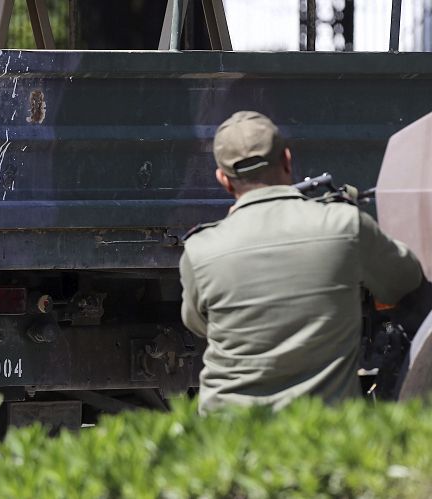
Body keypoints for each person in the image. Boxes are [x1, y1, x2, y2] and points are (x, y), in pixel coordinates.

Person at [179, 111, 424, 414]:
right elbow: (406, 280)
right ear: (287, 159)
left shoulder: (200, 250)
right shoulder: (344, 226)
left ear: (223, 180)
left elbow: (200, 324)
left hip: (227, 441)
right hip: (318, 435)